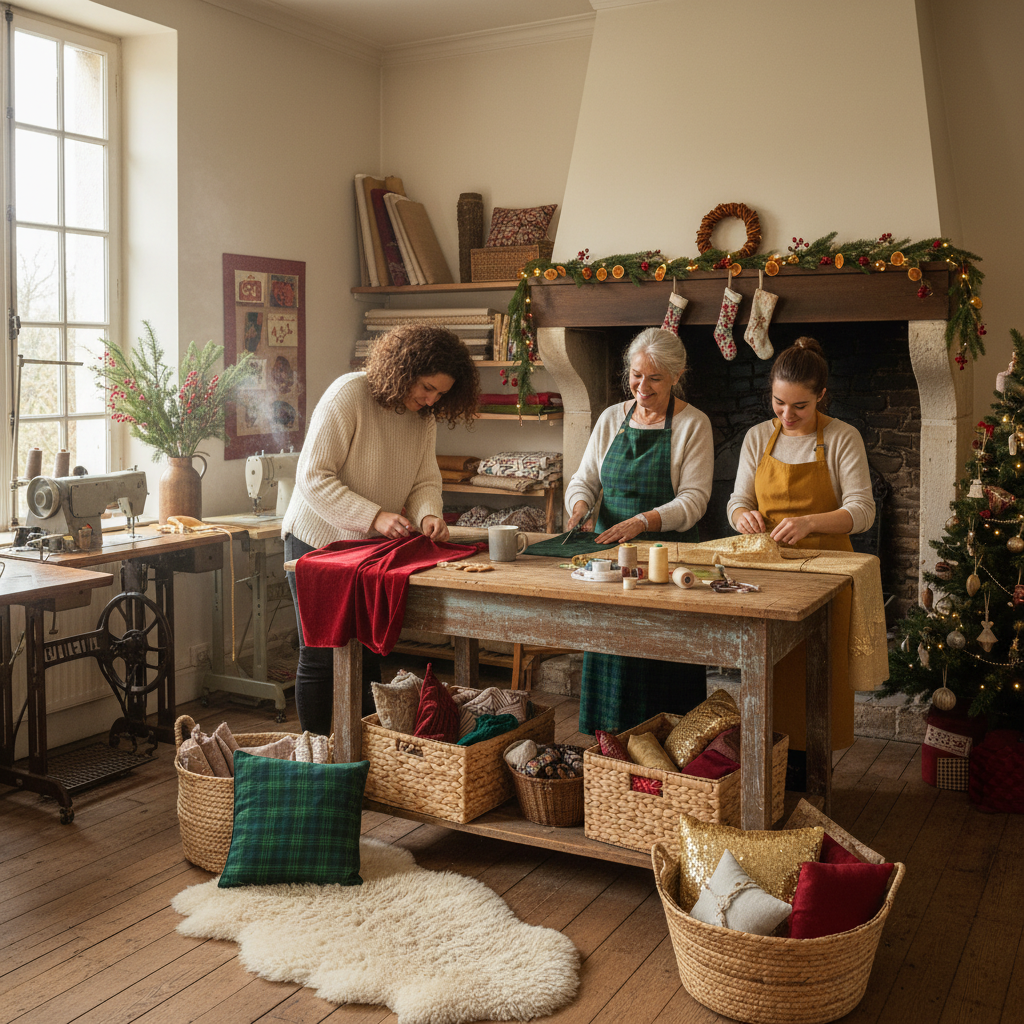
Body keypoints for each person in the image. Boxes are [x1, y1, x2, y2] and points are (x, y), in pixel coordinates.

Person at [283, 324, 480, 734]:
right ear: (403, 370)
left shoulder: (423, 417)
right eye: (426, 387)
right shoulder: (348, 394)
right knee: (320, 657)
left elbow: (424, 480)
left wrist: (428, 515)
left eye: (440, 394)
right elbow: (313, 477)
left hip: (368, 550)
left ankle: (360, 752)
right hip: (316, 543)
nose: (431, 399)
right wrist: (374, 516)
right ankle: (316, 755)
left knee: (368, 656)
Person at [727, 336, 875, 785]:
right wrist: (742, 516)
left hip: (826, 576)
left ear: (821, 396)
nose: (787, 415)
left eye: (800, 407)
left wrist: (810, 523)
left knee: (817, 678)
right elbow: (736, 500)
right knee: (769, 673)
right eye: (778, 403)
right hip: (768, 575)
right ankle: (768, 774)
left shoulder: (843, 437)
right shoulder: (758, 437)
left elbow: (863, 511)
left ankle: (813, 779)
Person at [564, 326, 714, 734]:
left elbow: (693, 501)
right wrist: (579, 506)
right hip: (611, 566)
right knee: (613, 659)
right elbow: (584, 480)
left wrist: (643, 521)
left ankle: (669, 754)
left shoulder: (693, 424)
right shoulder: (611, 418)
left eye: (655, 378)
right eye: (635, 375)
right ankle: (608, 753)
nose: (642, 387)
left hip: (668, 567)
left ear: (677, 375)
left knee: (662, 666)